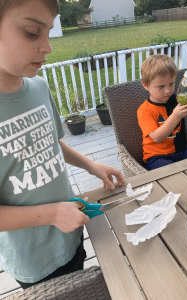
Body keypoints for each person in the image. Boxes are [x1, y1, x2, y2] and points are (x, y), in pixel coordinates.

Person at [0, 0, 125, 289]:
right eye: (32, 32)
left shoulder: (39, 87)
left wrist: (92, 166)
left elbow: (51, 142)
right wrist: (53, 214)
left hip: (71, 229)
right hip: (34, 258)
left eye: (48, 32)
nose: (47, 46)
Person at [137, 54, 187, 171]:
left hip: (182, 151)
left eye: (171, 84)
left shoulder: (177, 99)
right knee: (172, 174)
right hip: (157, 157)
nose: (167, 90)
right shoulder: (144, 110)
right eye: (161, 87)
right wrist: (175, 116)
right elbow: (156, 137)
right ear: (146, 85)